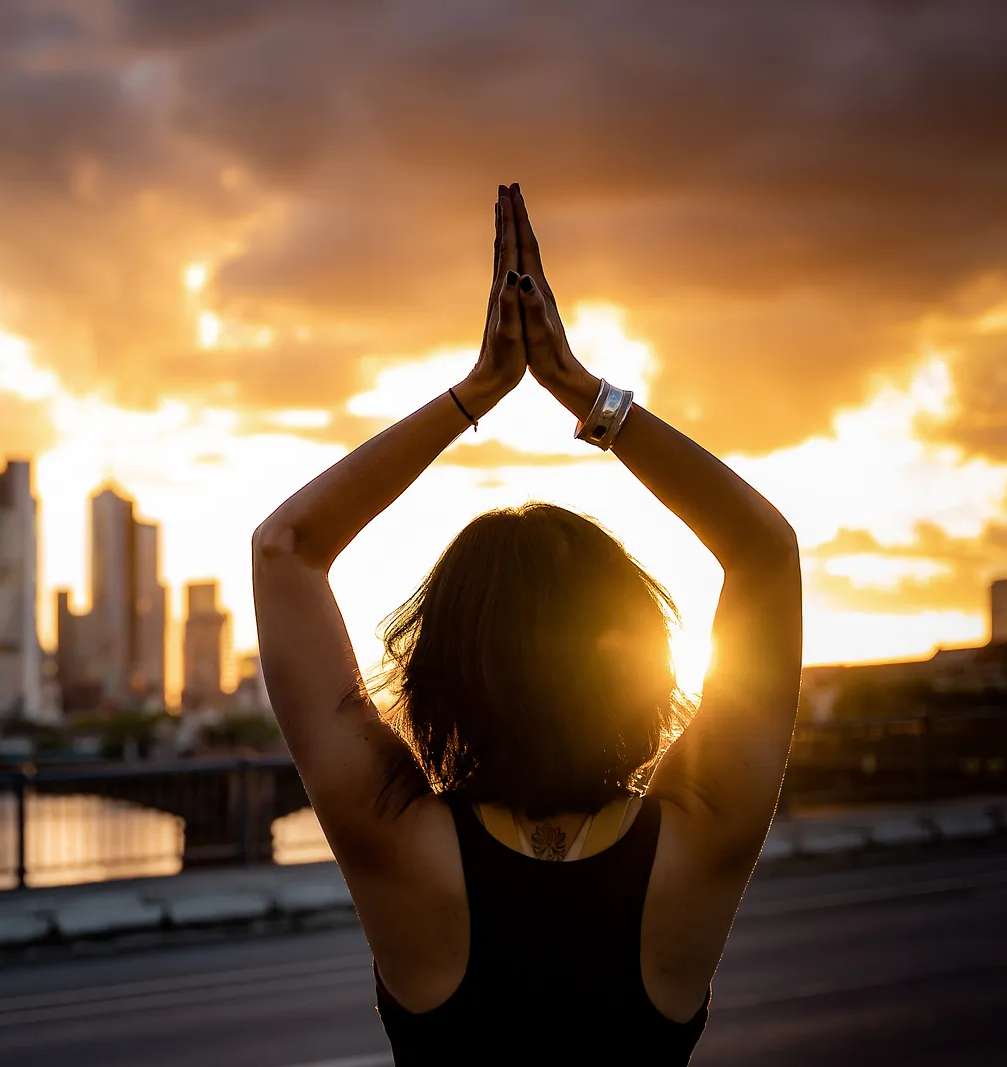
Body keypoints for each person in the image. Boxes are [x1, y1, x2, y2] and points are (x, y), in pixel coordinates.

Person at [250, 184, 802, 1064]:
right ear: (639, 660)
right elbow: (767, 554)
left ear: (440, 672)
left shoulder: (402, 841)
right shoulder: (700, 834)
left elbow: (286, 548)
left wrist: (479, 391)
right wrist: (587, 395)